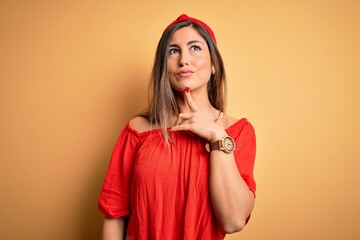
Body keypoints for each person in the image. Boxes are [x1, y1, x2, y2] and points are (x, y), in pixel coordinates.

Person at [98, 14, 256, 240]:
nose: (184, 59)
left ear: (213, 65)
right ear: (164, 67)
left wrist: (216, 135)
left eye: (195, 48)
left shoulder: (237, 132)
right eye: (173, 51)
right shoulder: (137, 130)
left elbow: (233, 220)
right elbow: (114, 213)